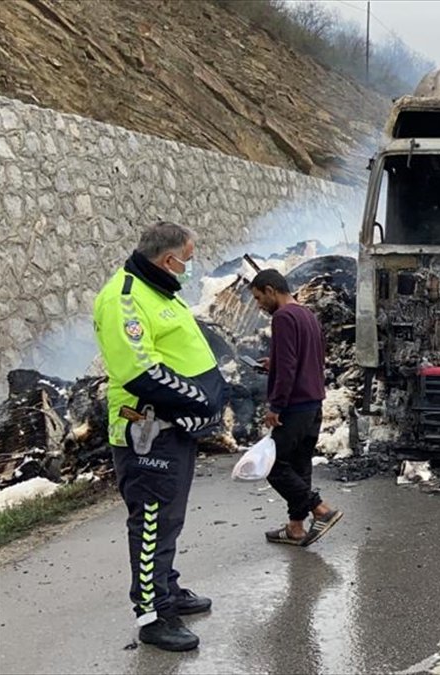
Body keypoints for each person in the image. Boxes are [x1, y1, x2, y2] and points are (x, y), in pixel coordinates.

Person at [92, 221, 227, 651]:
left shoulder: (158, 291)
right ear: (168, 260)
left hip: (172, 430)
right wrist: (200, 400)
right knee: (151, 522)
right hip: (145, 433)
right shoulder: (125, 299)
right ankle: (152, 615)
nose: (188, 268)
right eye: (186, 260)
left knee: (168, 521)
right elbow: (141, 372)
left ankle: (166, 587)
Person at [248, 269, 343, 547]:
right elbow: (309, 356)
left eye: (258, 298)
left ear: (270, 290)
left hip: (295, 405)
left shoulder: (283, 317)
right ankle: (296, 528)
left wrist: (276, 405)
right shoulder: (306, 314)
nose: (258, 305)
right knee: (300, 466)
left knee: (274, 466)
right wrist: (273, 363)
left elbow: (289, 367)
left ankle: (322, 510)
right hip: (314, 404)